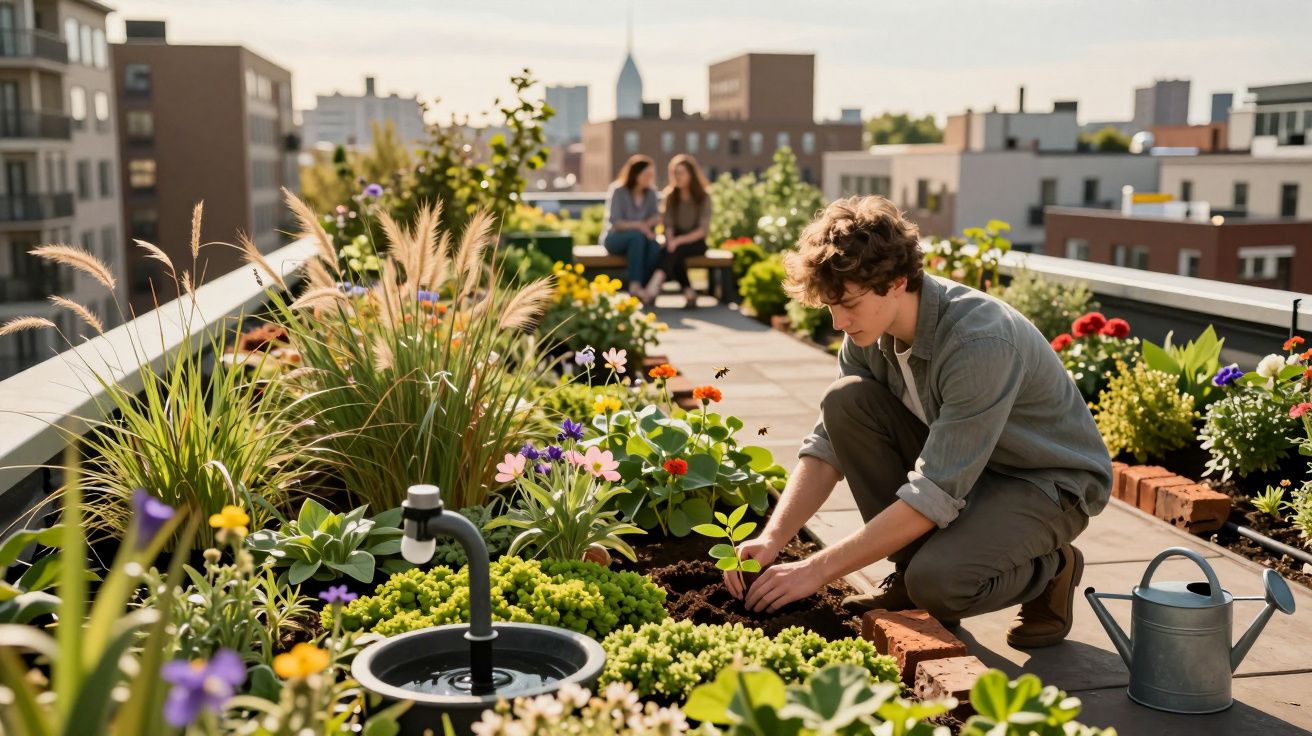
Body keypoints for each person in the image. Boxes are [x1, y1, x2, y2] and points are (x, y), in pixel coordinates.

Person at [725, 196, 1111, 649]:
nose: (839, 321)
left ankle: (1052, 569)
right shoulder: (867, 333)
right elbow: (827, 446)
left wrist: (816, 569)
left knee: (939, 585)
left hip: (1043, 482)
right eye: (830, 305)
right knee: (846, 402)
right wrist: (773, 539)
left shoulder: (978, 341)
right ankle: (909, 574)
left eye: (849, 303)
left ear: (896, 282)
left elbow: (934, 492)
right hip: (967, 469)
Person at [644, 154, 712, 309]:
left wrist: (677, 241)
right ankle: (688, 291)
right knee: (672, 251)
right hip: (674, 240)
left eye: (682, 173)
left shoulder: (703, 196)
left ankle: (654, 286)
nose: (678, 177)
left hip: (695, 241)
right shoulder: (670, 195)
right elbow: (668, 224)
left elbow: (703, 230)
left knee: (674, 251)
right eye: (675, 173)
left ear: (691, 174)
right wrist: (671, 240)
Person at [600, 155, 662, 298]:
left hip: (642, 239)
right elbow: (615, 222)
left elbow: (656, 216)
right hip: (615, 238)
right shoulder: (618, 190)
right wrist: (639, 226)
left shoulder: (651, 193)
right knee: (637, 237)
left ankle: (646, 289)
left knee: (654, 246)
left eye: (651, 175)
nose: (649, 178)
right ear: (635, 174)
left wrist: (646, 226)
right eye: (646, 174)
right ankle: (635, 286)